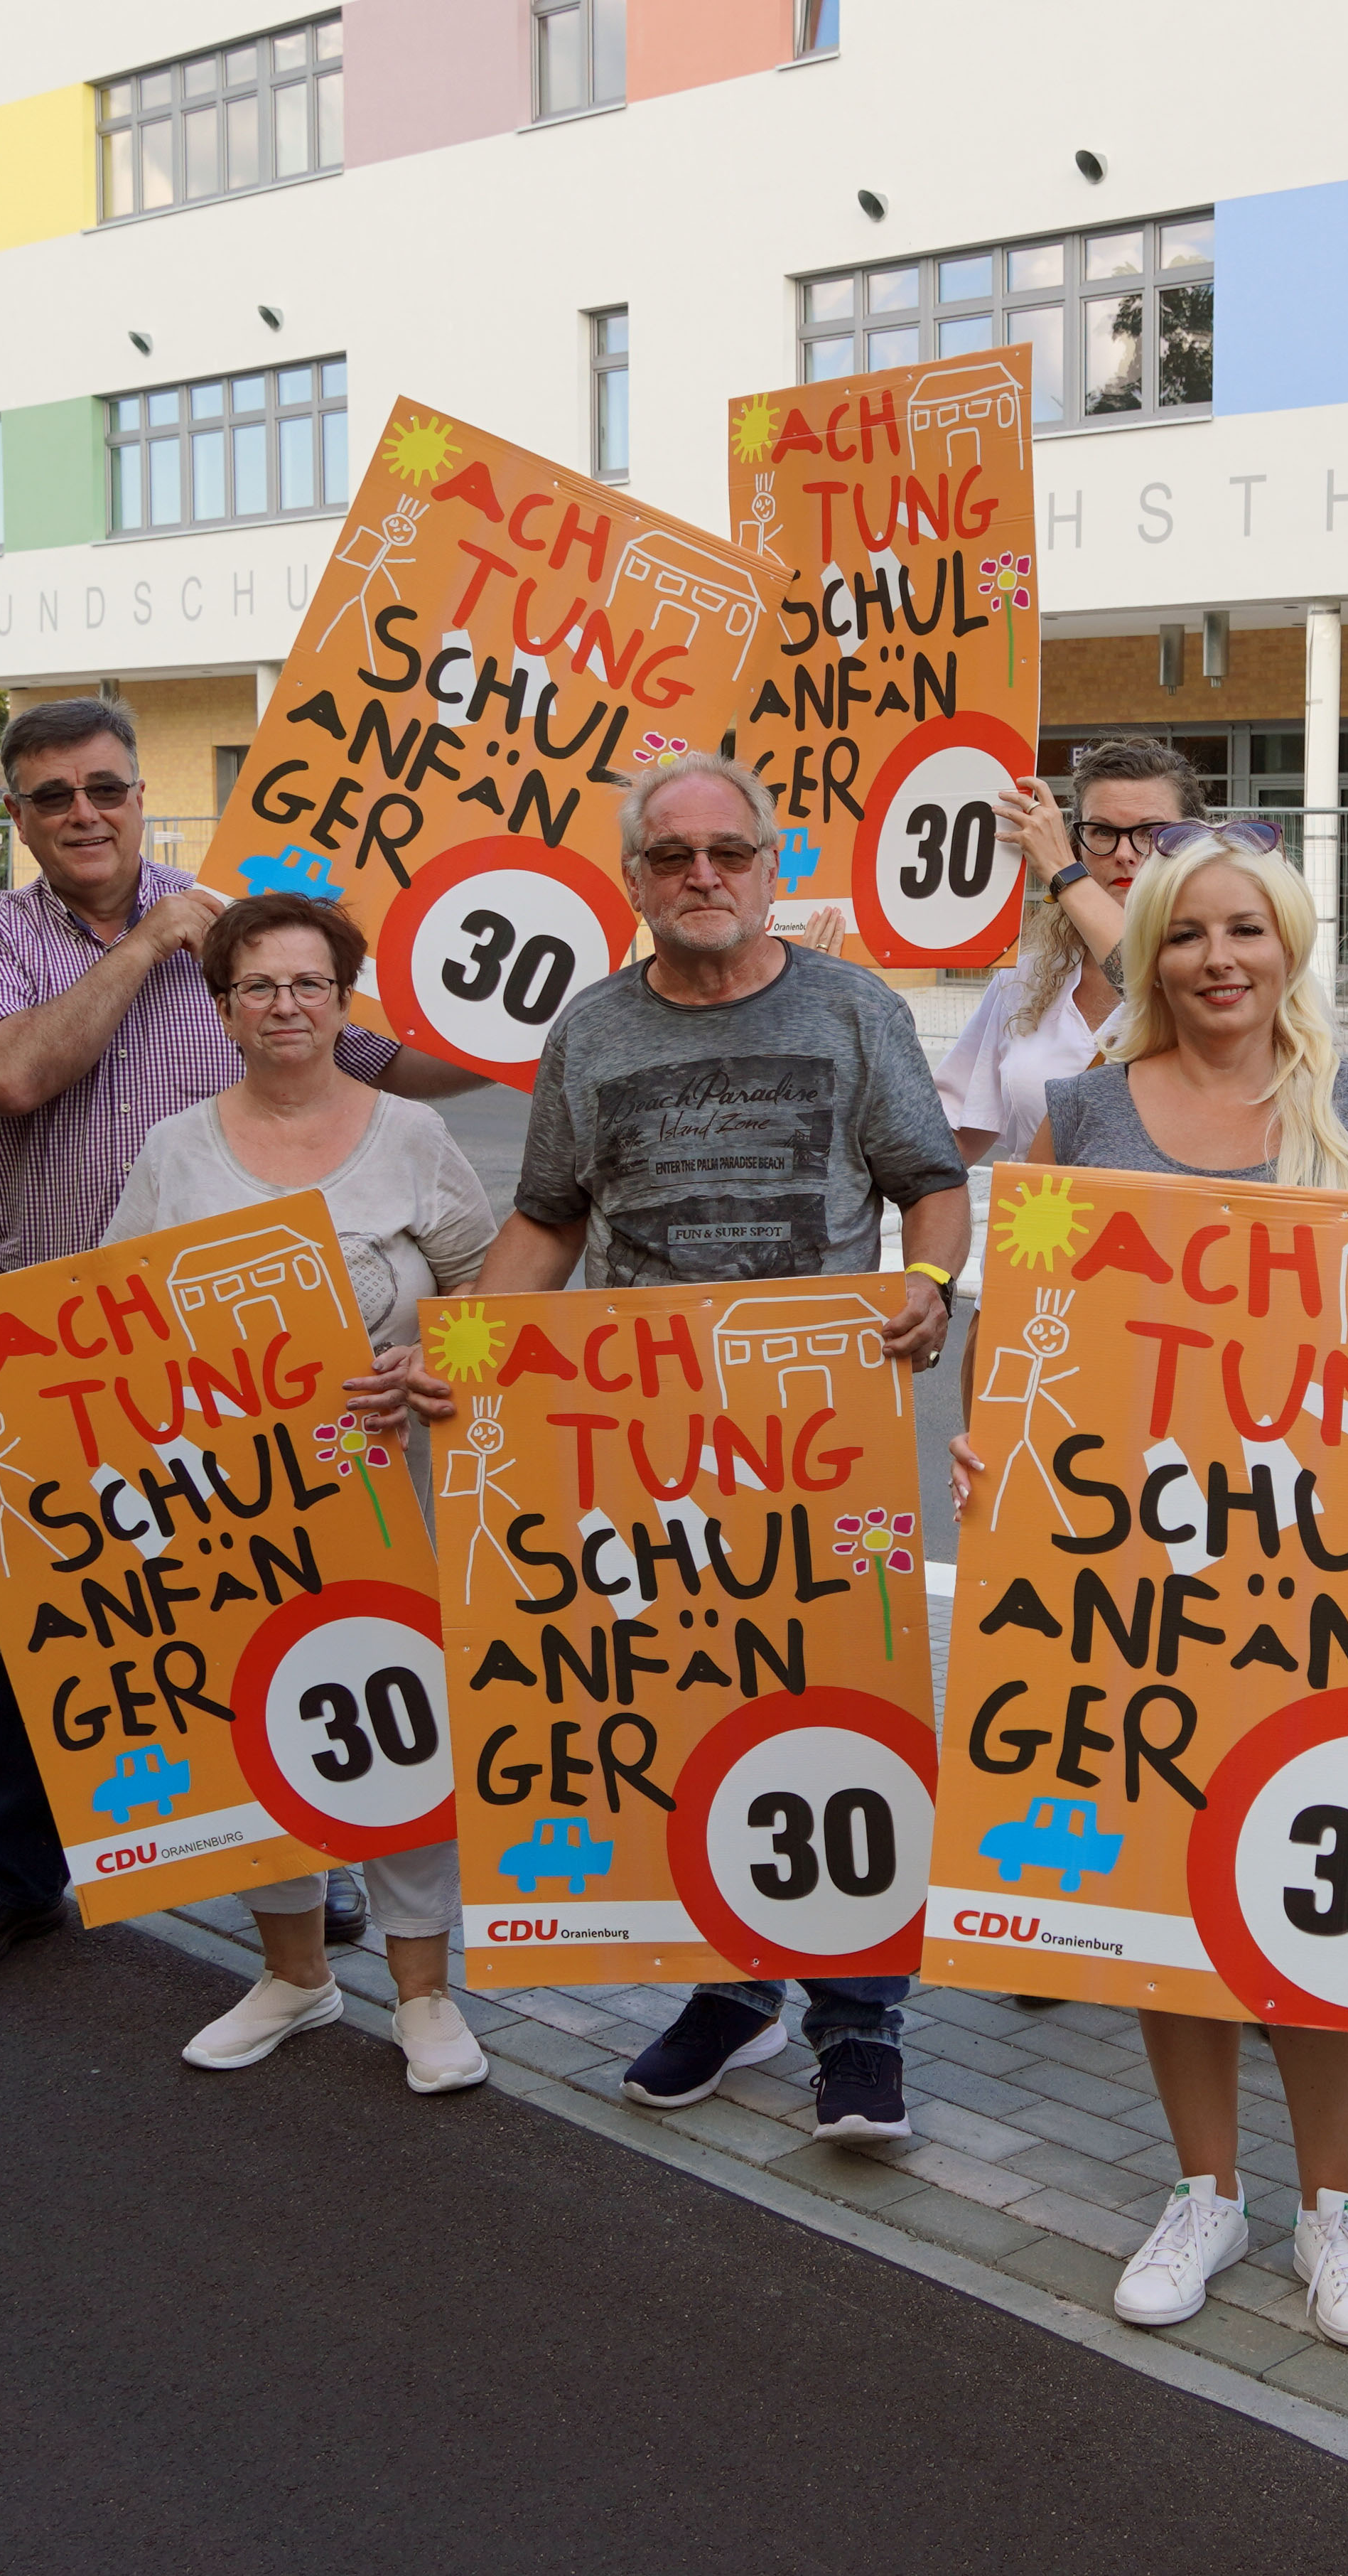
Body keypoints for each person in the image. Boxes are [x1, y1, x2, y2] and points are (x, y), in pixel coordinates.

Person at [944, 833, 1348, 2351]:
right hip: (1132, 1567)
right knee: (1166, 1865)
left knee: (1313, 1878)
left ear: (1288, 944)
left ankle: (1331, 2209)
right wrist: (992, 1438)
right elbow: (1019, 1322)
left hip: (1326, 1571)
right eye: (1186, 935)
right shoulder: (1085, 1111)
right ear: (1146, 954)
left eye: (1245, 930)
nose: (1217, 959)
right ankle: (1207, 2185)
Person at [0, 697, 481, 1983]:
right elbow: (8, 1077)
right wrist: (152, 942)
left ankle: (296, 1846)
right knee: (46, 1630)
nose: (83, 814)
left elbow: (382, 1055)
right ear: (18, 816)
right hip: (78, 1350)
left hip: (260, 1366)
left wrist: (514, 1023)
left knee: (255, 1611)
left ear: (137, 791)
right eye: (52, 797)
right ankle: (18, 1871)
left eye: (104, 788)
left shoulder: (238, 931)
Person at [481, 751, 967, 2144]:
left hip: (823, 1449)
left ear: (769, 866)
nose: (703, 875)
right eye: (672, 854)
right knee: (696, 1714)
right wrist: (472, 1359)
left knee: (844, 1720)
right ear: (633, 877)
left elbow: (931, 1186)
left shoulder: (850, 1008)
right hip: (645, 1453)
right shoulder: (590, 1033)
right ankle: (733, 1979)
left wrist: (928, 1286)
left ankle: (860, 2019)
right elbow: (548, 1218)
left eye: (729, 852)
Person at [97, 894, 498, 2095]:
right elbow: (104, 1331)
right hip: (238, 1516)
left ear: (343, 1000)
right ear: (222, 1009)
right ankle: (293, 1979)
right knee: (257, 1730)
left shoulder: (413, 1136)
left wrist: (431, 1358)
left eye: (308, 986)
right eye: (259, 988)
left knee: (404, 1732)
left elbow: (491, 1299)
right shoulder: (175, 1148)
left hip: (396, 1497)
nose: (285, 1008)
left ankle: (425, 1995)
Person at [946, 736, 1209, 1162]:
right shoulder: (1026, 976)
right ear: (1076, 841)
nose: (1125, 853)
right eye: (1102, 832)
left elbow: (1155, 983)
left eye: (1151, 833)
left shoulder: (1229, 975)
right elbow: (956, 1132)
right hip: (1044, 1220)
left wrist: (1060, 872)